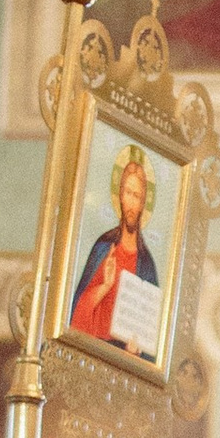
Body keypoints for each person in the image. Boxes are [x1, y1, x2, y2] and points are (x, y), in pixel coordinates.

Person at [69, 148, 161, 353]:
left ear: (142, 203)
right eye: (128, 193)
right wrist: (105, 285)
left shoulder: (146, 264)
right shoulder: (103, 247)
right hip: (93, 351)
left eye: (136, 196)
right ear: (120, 196)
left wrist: (138, 348)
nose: (130, 203)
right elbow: (77, 314)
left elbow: (152, 336)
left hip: (124, 358)